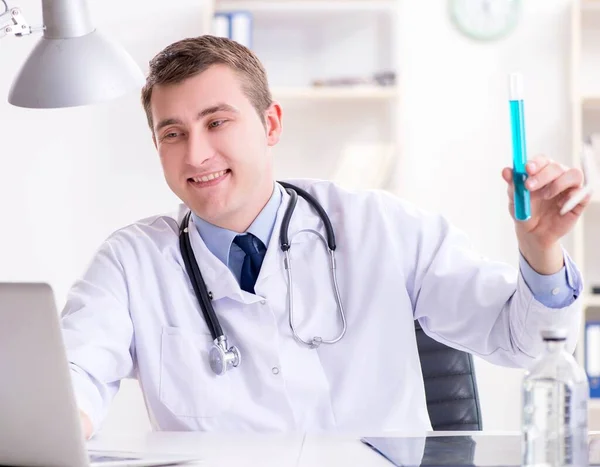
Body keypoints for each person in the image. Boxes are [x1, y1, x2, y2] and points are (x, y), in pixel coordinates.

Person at [60, 35, 591, 439]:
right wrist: (62, 420)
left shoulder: (380, 228)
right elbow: (70, 376)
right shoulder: (132, 263)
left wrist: (540, 248)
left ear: (270, 125)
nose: (196, 154)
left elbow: (523, 343)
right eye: (172, 133)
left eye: (216, 122)